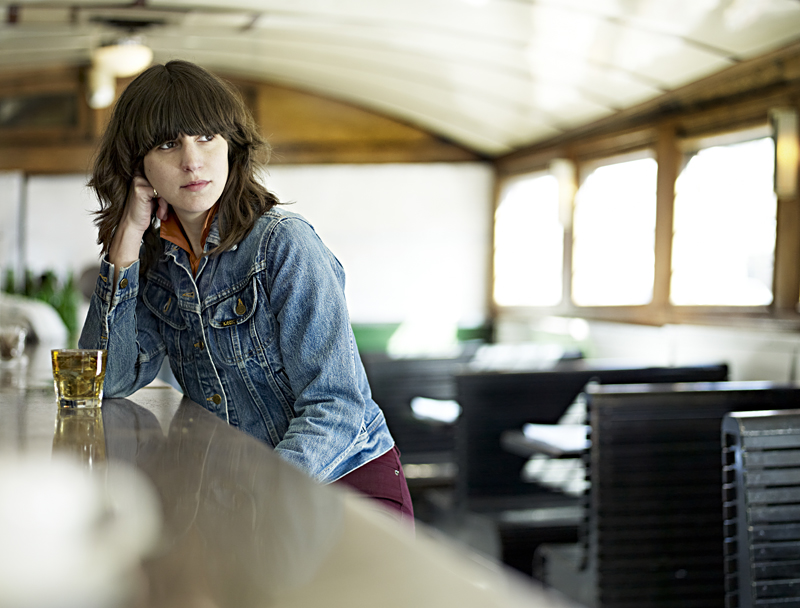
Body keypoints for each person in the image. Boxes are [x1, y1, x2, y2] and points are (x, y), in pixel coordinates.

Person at [79, 60, 413, 525]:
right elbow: (108, 381)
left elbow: (336, 407)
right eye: (168, 143)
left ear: (232, 146)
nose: (192, 161)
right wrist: (127, 237)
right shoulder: (157, 263)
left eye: (206, 137)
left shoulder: (284, 244)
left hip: (342, 488)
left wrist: (254, 498)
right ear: (139, 166)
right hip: (248, 498)